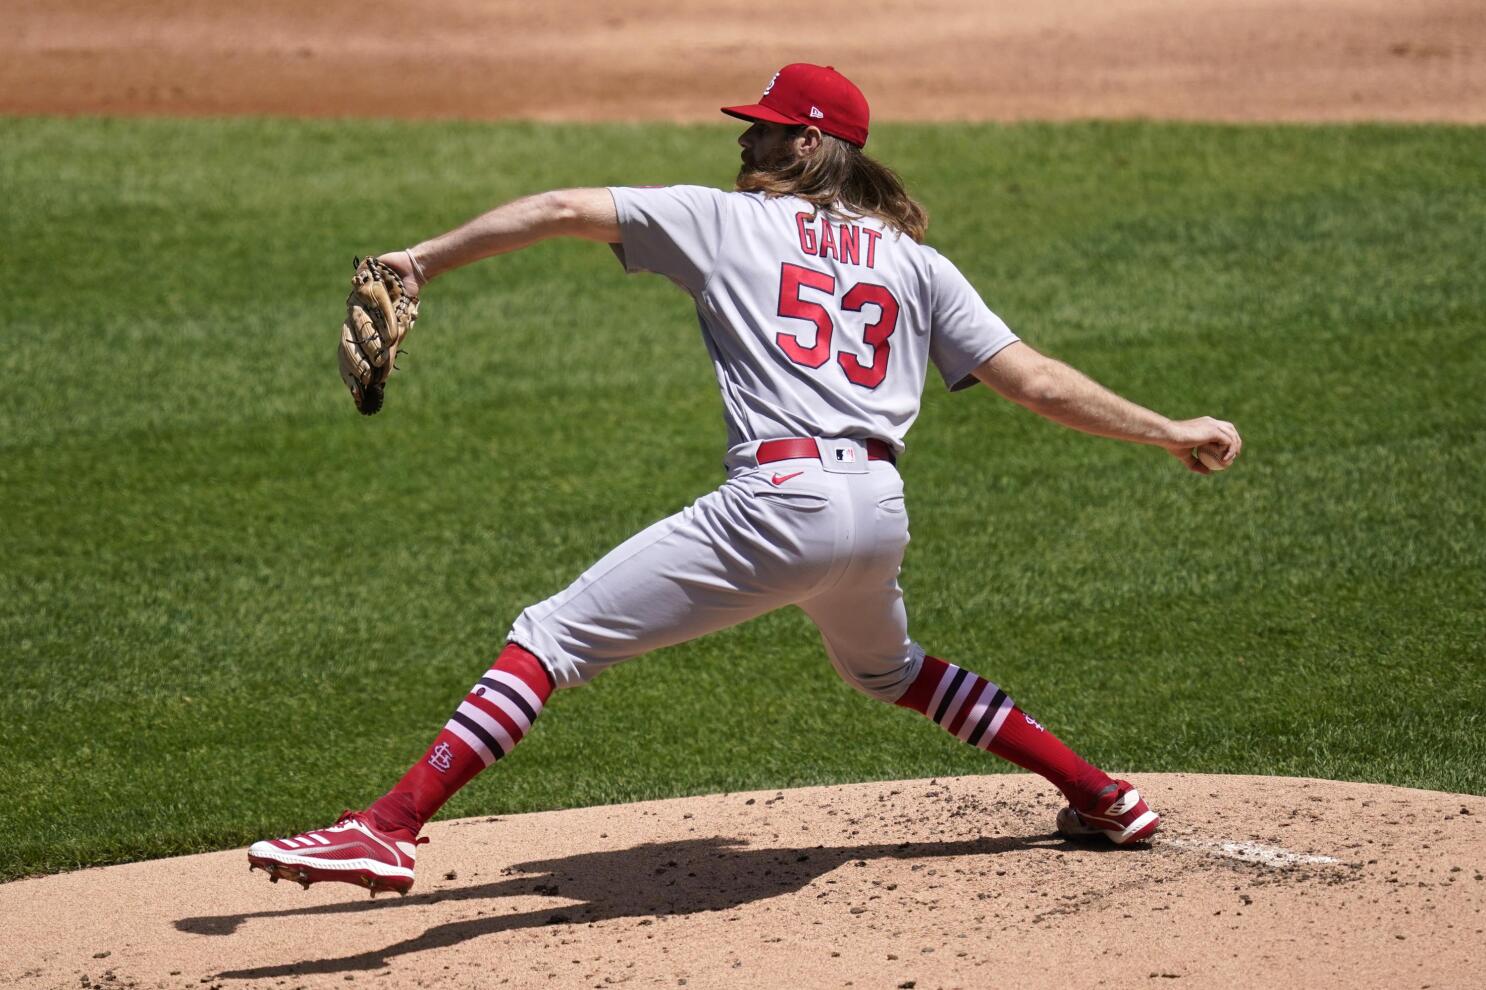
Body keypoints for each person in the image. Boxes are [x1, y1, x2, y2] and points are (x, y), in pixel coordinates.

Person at [248, 63, 1241, 895]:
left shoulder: (723, 223)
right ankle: (1103, 796)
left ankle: (386, 825)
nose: (744, 143)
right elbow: (1034, 382)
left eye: (765, 132)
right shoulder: (913, 263)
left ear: (809, 148)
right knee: (889, 671)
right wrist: (1167, 431)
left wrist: (418, 260)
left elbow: (559, 207)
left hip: (779, 505)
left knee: (551, 636)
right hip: (876, 512)